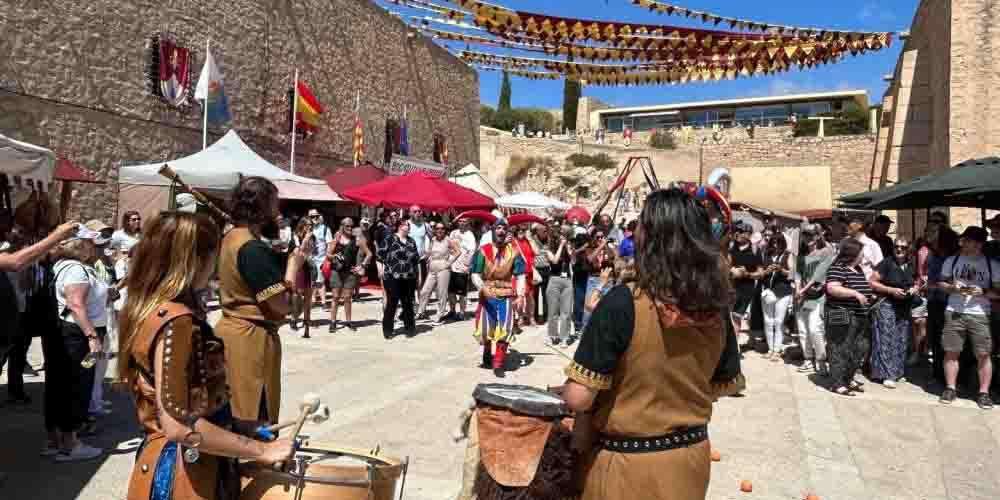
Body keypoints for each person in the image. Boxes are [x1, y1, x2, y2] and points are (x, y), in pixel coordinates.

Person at [561, 188, 740, 500]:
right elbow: (717, 385)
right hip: (690, 464)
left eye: (642, 223)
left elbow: (578, 398)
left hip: (628, 469)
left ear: (651, 239)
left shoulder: (623, 303)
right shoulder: (717, 309)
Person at [120, 212, 294, 499]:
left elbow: (189, 403)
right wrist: (261, 450)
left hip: (184, 462)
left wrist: (237, 428)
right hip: (185, 472)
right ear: (196, 259)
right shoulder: (176, 321)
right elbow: (179, 425)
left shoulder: (152, 310)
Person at [216, 177, 306, 424]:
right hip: (250, 340)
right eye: (274, 202)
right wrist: (292, 267)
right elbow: (281, 304)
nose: (278, 209)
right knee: (253, 415)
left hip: (237, 333)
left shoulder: (232, 237)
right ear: (262, 206)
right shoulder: (251, 248)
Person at [45, 226, 111, 461]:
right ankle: (71, 443)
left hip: (72, 332)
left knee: (61, 384)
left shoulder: (66, 267)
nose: (95, 247)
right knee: (78, 383)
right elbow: (75, 304)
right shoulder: (76, 270)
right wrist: (92, 337)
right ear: (80, 245)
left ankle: (57, 440)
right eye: (91, 243)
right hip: (80, 336)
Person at [936, 226, 999, 409]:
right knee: (951, 351)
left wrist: (984, 291)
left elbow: (998, 292)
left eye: (969, 240)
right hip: (954, 310)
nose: (964, 243)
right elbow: (941, 283)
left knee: (984, 354)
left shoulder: (991, 264)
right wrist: (952, 288)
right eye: (966, 240)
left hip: (980, 313)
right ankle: (950, 388)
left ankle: (984, 392)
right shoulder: (952, 260)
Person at [470, 218, 527, 377]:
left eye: (504, 229)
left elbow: (520, 274)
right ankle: (487, 352)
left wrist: (521, 295)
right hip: (487, 293)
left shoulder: (513, 251)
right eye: (498, 228)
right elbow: (475, 273)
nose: (501, 231)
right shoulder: (483, 250)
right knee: (486, 328)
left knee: (506, 327)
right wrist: (482, 287)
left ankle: (498, 362)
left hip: (506, 293)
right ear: (493, 231)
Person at [824, 238, 875, 397]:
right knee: (840, 348)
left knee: (860, 348)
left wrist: (869, 296)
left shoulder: (857, 269)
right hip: (842, 315)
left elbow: (861, 288)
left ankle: (848, 377)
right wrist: (855, 293)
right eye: (861, 253)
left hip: (860, 316)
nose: (863, 256)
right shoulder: (838, 268)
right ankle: (837, 383)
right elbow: (832, 288)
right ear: (853, 253)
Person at [869, 238, 918, 388]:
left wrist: (914, 289)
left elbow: (916, 281)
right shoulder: (887, 263)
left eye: (903, 247)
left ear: (908, 249)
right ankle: (885, 374)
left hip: (904, 306)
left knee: (901, 339)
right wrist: (891, 290)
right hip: (886, 304)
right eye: (896, 247)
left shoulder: (910, 264)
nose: (899, 250)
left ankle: (897, 372)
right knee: (885, 338)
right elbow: (872, 281)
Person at [794, 226, 836, 375]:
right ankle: (807, 359)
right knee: (803, 330)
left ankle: (821, 361)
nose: (807, 238)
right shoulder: (801, 254)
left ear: (818, 236)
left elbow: (819, 274)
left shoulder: (826, 252)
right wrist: (798, 289)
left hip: (818, 296)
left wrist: (803, 290)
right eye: (805, 235)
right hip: (802, 296)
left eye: (811, 235)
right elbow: (798, 274)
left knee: (815, 329)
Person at [378, 218, 420, 339]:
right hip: (392, 277)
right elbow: (379, 256)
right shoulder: (389, 239)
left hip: (409, 277)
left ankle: (410, 328)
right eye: (406, 224)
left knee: (408, 303)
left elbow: (415, 260)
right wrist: (380, 271)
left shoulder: (411, 241)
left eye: (408, 225)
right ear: (400, 226)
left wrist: (418, 276)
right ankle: (387, 330)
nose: (408, 227)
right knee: (392, 302)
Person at [327, 217, 371, 332]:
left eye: (351, 226)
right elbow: (328, 255)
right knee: (335, 297)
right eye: (347, 226)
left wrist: (361, 266)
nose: (350, 228)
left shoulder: (357, 239)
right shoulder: (336, 238)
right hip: (336, 270)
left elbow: (369, 254)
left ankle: (348, 321)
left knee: (347, 297)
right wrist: (335, 256)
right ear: (342, 226)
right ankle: (332, 322)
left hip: (350, 272)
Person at [417, 222, 459, 325]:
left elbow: (458, 252)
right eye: (437, 228)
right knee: (425, 291)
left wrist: (449, 262)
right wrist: (425, 257)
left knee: (441, 293)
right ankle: (420, 311)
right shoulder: (433, 239)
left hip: (443, 268)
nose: (440, 230)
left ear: (445, 230)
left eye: (442, 228)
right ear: (435, 230)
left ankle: (440, 314)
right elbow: (430, 251)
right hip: (432, 268)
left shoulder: (448, 240)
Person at [760, 233, 794, 361]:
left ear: (782, 243)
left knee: (778, 322)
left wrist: (781, 269)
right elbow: (760, 273)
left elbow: (792, 273)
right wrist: (766, 271)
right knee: (768, 321)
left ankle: (777, 350)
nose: (775, 245)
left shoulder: (787, 255)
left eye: (778, 242)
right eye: (773, 242)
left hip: (783, 291)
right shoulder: (766, 254)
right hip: (768, 291)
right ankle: (770, 349)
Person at [728, 222, 764, 341]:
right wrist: (731, 269)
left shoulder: (754, 250)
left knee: (736, 316)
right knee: (728, 316)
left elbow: (760, 273)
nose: (737, 234)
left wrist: (747, 274)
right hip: (730, 287)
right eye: (736, 231)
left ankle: (734, 344)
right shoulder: (731, 247)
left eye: (740, 232)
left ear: (748, 235)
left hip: (746, 289)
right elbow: (726, 264)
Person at [545, 226, 575, 346]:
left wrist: (569, 249)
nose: (563, 238)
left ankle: (564, 337)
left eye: (564, 236)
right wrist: (561, 246)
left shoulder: (567, 249)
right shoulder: (548, 249)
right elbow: (555, 261)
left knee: (566, 312)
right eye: (560, 236)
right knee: (553, 312)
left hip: (567, 280)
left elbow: (573, 261)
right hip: (554, 280)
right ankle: (553, 335)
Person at [289, 218, 317, 338]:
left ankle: (306, 320)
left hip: (309, 266)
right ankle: (294, 318)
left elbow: (313, 252)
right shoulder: (296, 236)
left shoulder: (313, 237)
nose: (310, 227)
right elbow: (297, 251)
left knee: (308, 295)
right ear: (302, 225)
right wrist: (305, 240)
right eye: (308, 225)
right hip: (298, 266)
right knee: (297, 294)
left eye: (311, 225)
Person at [448, 218, 477, 321]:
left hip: (462, 268)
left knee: (462, 292)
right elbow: (449, 247)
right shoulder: (453, 233)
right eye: (460, 221)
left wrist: (467, 265)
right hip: (451, 265)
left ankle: (462, 312)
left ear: (468, 223)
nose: (462, 223)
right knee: (451, 291)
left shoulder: (470, 235)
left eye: (464, 221)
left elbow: (472, 251)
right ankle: (452, 311)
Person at [307, 209, 333, 310]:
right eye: (312, 216)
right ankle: (313, 300)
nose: (315, 218)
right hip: (309, 259)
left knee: (320, 281)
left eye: (316, 216)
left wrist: (327, 258)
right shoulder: (307, 229)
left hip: (321, 259)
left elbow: (330, 244)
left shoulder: (325, 229)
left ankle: (323, 302)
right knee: (312, 282)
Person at [512, 224, 537, 327]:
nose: (521, 232)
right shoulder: (513, 242)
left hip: (530, 271)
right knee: (519, 296)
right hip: (518, 272)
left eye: (523, 230)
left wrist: (530, 239)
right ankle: (521, 317)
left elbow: (537, 252)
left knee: (530, 296)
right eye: (519, 230)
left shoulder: (529, 241)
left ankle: (531, 318)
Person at [528, 223, 551, 324]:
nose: (546, 233)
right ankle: (536, 316)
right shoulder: (532, 240)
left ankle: (546, 315)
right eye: (544, 231)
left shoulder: (548, 240)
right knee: (536, 294)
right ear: (538, 231)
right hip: (536, 270)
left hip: (546, 269)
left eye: (546, 231)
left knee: (546, 294)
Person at [408, 205, 431, 287]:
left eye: (419, 211)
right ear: (410, 213)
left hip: (421, 258)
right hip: (408, 259)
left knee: (421, 280)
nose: (418, 213)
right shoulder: (406, 224)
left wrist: (429, 252)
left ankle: (420, 298)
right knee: (409, 281)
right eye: (415, 211)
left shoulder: (426, 225)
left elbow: (432, 239)